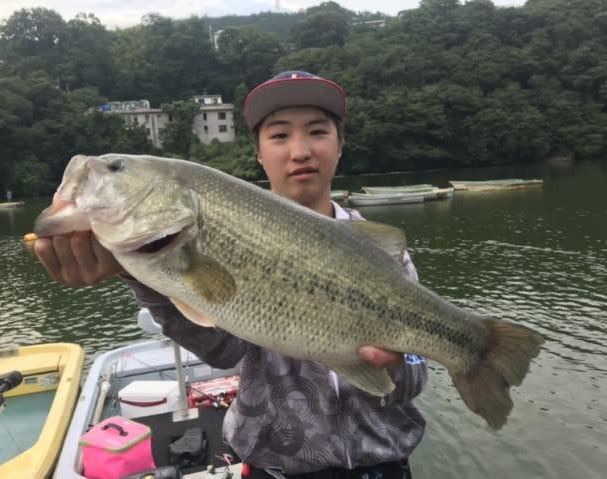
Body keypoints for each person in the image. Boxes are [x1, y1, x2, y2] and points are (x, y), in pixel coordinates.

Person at [35, 71, 426, 479]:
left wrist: (398, 365)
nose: (300, 151)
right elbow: (223, 349)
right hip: (275, 471)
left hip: (384, 467)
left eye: (317, 132)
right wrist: (141, 275)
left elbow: (416, 374)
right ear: (258, 153)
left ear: (340, 145)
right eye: (279, 136)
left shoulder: (384, 255)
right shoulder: (215, 231)